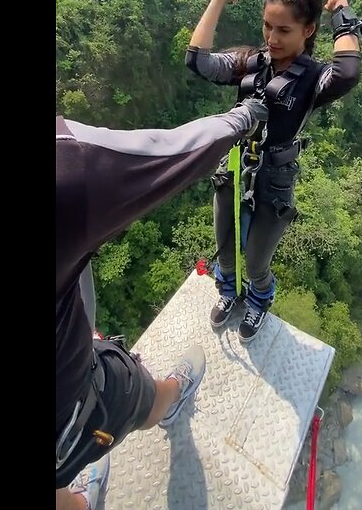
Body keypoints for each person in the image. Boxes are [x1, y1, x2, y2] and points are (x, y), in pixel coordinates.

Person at [56, 100, 269, 510]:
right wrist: (239, 119)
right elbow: (168, 150)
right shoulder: (66, 165)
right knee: (139, 395)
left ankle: (78, 501)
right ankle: (168, 400)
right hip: (69, 399)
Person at [184, 0, 362, 343]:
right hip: (233, 168)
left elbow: (348, 73)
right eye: (268, 25)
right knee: (227, 248)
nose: (272, 37)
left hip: (275, 179)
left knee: (256, 260)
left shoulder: (314, 78)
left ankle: (258, 301)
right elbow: (197, 62)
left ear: (308, 30)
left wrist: (340, 8)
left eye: (284, 29)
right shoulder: (251, 62)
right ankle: (228, 293)